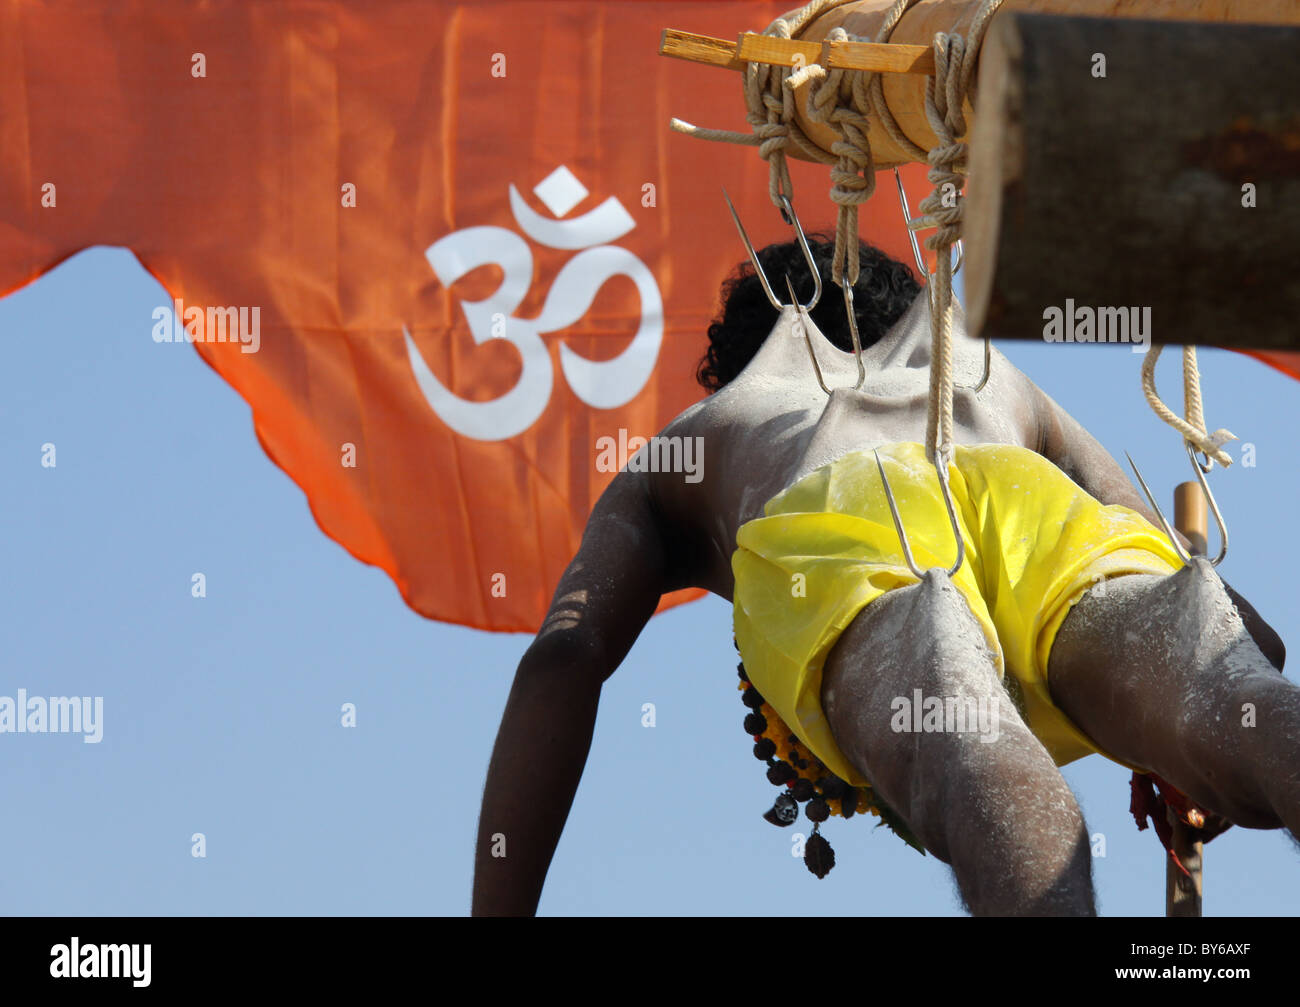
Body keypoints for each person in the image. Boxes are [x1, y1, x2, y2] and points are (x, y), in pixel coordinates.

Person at [471, 235, 1291, 916]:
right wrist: (1182, 743)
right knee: (1233, 705)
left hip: (846, 523)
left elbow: (564, 657)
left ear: (740, 364)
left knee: (974, 755)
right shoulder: (987, 374)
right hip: (1024, 496)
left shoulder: (699, 435)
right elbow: (1244, 629)